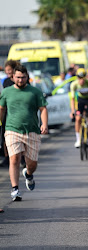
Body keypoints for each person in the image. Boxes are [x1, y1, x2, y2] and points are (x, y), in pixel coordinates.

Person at [0, 64, 48, 201]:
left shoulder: (35, 92)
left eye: (23, 77)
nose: (20, 80)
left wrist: (44, 124)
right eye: (18, 77)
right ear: (13, 77)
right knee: (14, 158)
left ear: (28, 77)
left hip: (32, 131)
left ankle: (28, 174)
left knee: (32, 164)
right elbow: (1, 108)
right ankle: (15, 189)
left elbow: (43, 109)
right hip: (12, 129)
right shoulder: (7, 92)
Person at [70, 68, 88, 148]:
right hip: (80, 101)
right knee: (78, 119)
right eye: (79, 78)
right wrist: (72, 111)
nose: (81, 80)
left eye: (83, 78)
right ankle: (78, 139)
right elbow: (73, 99)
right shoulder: (74, 84)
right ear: (77, 78)